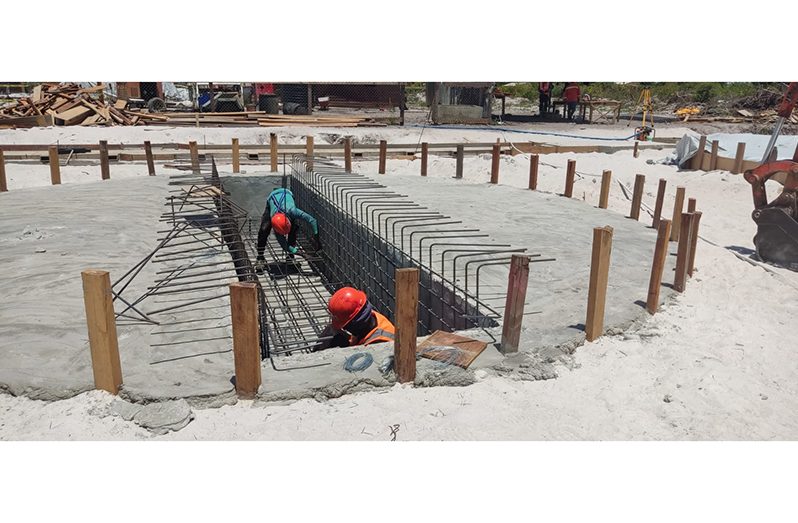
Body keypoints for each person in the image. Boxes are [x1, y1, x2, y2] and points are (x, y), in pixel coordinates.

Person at [255, 187, 321, 271]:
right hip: (272, 198)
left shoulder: (293, 211)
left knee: (293, 229)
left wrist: (316, 237)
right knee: (264, 230)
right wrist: (301, 254)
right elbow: (284, 244)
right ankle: (260, 257)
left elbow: (312, 220)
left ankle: (290, 257)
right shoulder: (274, 220)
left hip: (287, 194)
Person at [314, 287, 395, 350]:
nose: (344, 329)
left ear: (354, 324)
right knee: (330, 332)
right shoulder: (368, 318)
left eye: (345, 326)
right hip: (360, 340)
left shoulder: (379, 343)